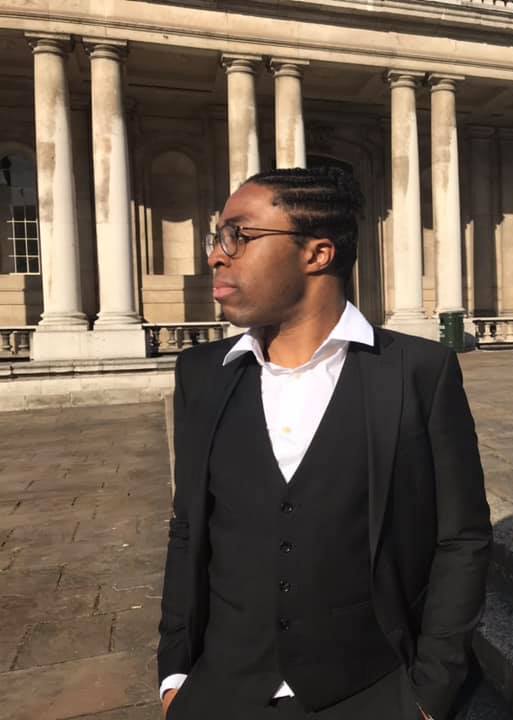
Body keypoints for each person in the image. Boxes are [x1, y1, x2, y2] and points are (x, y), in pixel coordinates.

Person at [157, 166, 491, 720]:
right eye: (217, 237)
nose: (216, 255)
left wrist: (431, 694)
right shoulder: (201, 374)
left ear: (317, 254)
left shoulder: (418, 371)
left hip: (372, 692)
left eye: (238, 235)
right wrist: (174, 675)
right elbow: (188, 528)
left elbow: (462, 538)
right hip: (220, 691)